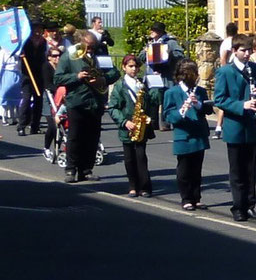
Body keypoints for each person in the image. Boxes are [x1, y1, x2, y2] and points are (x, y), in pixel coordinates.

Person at [213, 34, 256, 221]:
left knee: (250, 169)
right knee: (237, 170)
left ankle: (250, 205)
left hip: (252, 126)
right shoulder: (225, 72)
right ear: (234, 51)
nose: (247, 54)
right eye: (243, 51)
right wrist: (241, 105)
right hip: (235, 126)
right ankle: (238, 207)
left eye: (249, 50)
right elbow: (219, 100)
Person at [55, 32, 121, 183]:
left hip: (95, 102)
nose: (90, 50)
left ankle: (86, 169)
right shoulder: (69, 56)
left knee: (92, 138)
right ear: (80, 43)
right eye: (88, 47)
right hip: (77, 101)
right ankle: (71, 169)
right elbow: (57, 78)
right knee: (75, 137)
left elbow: (115, 72)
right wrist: (76, 77)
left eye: (93, 47)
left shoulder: (100, 55)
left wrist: (103, 79)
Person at [108, 55, 162, 198]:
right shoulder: (120, 85)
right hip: (127, 127)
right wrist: (125, 122)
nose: (134, 69)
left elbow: (154, 101)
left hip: (141, 126)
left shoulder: (142, 83)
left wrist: (156, 86)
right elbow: (113, 107)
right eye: (130, 66)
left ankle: (145, 187)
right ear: (124, 67)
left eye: (136, 66)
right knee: (129, 159)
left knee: (141, 157)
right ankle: (132, 186)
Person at [163, 60, 212, 211]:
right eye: (193, 74)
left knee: (197, 169)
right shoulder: (172, 92)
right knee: (184, 170)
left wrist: (198, 104)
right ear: (183, 76)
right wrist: (182, 111)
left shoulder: (200, 91)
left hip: (199, 134)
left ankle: (196, 198)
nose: (195, 77)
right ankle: (186, 198)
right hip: (183, 135)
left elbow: (209, 110)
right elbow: (168, 115)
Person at [139, 22, 186, 132]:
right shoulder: (150, 44)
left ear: (159, 32)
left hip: (166, 76)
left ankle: (165, 123)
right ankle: (153, 123)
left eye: (153, 30)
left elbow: (180, 55)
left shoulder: (170, 42)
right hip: (151, 75)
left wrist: (170, 54)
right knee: (152, 98)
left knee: (166, 98)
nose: (151, 32)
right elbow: (140, 58)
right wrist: (145, 52)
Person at [19, 21, 47, 136]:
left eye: (40, 29)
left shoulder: (43, 42)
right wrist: (21, 54)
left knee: (38, 100)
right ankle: (21, 126)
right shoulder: (25, 41)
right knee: (26, 99)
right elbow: (17, 53)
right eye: (36, 29)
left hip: (40, 73)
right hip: (27, 74)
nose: (38, 31)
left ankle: (35, 126)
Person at [214, 22, 239, 140]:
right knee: (227, 100)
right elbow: (224, 57)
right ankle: (219, 126)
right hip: (230, 71)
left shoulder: (225, 41)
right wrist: (226, 70)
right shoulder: (230, 42)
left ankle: (219, 127)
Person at [41, 47, 62, 161]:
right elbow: (47, 84)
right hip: (49, 97)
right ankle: (46, 148)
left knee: (62, 125)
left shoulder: (61, 67)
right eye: (54, 56)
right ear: (49, 57)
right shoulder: (46, 67)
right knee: (53, 125)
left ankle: (57, 148)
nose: (57, 58)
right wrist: (59, 90)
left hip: (60, 98)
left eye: (59, 55)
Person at [0, 47, 21, 126]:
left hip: (17, 74)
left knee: (16, 98)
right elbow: (0, 64)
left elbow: (19, 63)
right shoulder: (3, 51)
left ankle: (14, 118)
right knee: (5, 96)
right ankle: (4, 118)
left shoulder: (18, 51)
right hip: (7, 73)